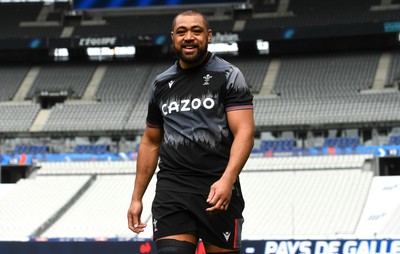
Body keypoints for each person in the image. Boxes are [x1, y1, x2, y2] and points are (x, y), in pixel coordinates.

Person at [127, 9, 254, 254]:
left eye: (196, 31)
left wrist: (227, 180)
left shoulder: (228, 76)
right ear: (173, 36)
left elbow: (245, 133)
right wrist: (136, 197)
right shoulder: (161, 84)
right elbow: (151, 142)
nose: (189, 37)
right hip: (172, 189)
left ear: (209, 35)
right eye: (182, 31)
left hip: (217, 189)